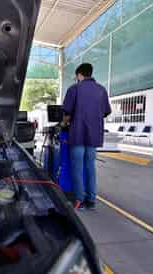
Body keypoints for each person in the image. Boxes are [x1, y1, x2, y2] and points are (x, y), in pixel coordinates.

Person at [62, 63, 111, 210]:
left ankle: (79, 200)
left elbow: (67, 113)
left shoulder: (74, 89)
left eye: (76, 76)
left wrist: (64, 123)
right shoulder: (102, 90)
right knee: (90, 168)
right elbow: (106, 112)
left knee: (77, 169)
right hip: (93, 137)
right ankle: (91, 201)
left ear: (79, 75)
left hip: (77, 135)